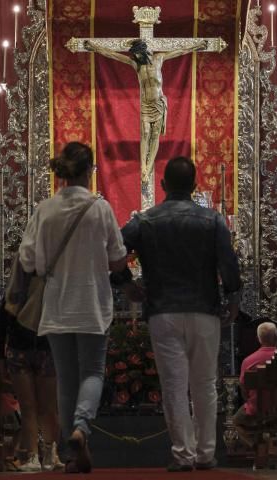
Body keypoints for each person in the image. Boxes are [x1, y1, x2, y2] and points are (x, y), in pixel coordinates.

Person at [116, 156, 241, 472]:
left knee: (173, 384)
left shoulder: (145, 221)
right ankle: (206, 453)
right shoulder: (212, 221)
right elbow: (228, 264)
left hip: (163, 310)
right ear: (195, 186)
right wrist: (234, 299)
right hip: (204, 309)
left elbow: (113, 249)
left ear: (163, 185)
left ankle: (183, 453)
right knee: (205, 383)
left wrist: (126, 284)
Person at [19, 141, 130, 474]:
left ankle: (70, 452)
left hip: (56, 305)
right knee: (93, 370)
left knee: (66, 379)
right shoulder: (100, 209)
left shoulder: (45, 209)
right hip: (92, 303)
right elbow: (118, 258)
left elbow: (27, 259)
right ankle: (81, 427)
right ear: (89, 171)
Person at [83, 38, 211, 208]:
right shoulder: (137, 66)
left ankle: (147, 168)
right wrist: (94, 47)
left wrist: (197, 45)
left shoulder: (159, 59)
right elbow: (112, 55)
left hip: (158, 104)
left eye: (137, 54)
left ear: (143, 51)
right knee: (145, 133)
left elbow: (180, 50)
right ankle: (144, 167)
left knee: (154, 136)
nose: (135, 57)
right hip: (146, 105)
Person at [0, 304, 62, 472]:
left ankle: (50, 451)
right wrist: (0, 357)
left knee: (48, 407)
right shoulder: (14, 291)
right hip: (19, 349)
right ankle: (32, 455)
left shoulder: (51, 285)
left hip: (47, 348)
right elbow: (1, 325)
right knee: (27, 406)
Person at [232, 322, 277, 448]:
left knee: (235, 422)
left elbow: (243, 386)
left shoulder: (248, 361)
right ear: (276, 337)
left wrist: (249, 402)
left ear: (258, 339)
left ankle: (256, 445)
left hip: (257, 407)